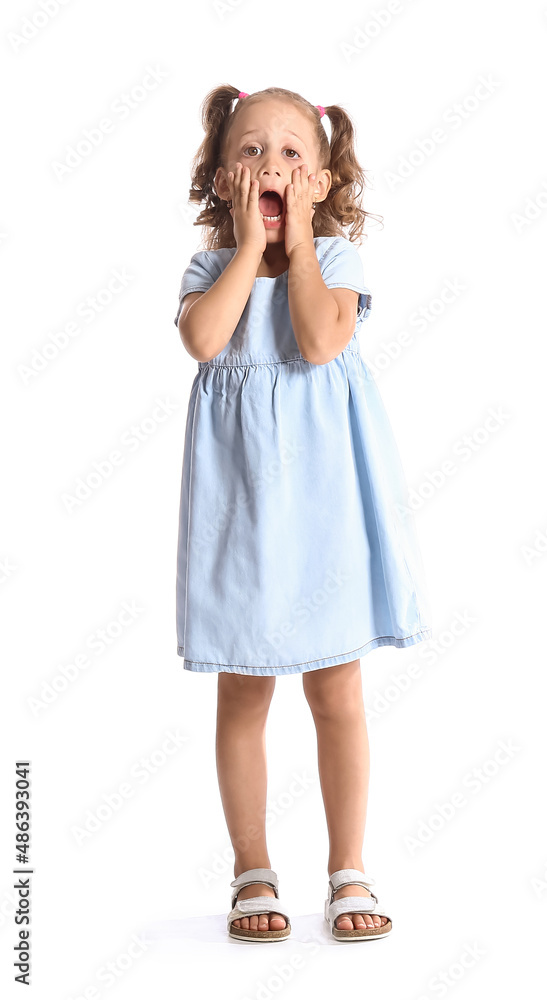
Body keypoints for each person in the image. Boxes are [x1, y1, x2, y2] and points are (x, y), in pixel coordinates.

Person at [173, 84, 432, 942]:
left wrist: (304, 250)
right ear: (221, 180)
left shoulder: (342, 267)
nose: (270, 166)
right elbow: (207, 339)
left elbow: (319, 340)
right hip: (239, 515)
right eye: (249, 152)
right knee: (245, 689)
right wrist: (250, 249)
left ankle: (346, 866)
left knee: (335, 689)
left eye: (292, 154)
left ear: (320, 184)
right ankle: (251, 866)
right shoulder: (212, 273)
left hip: (325, 509)